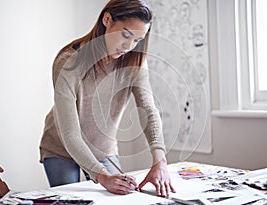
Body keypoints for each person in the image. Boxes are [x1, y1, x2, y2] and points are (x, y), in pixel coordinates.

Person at [39, 0, 176, 197]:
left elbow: (148, 109)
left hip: (103, 150)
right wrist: (103, 177)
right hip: (61, 149)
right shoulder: (69, 61)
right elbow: (70, 134)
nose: (128, 46)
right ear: (107, 19)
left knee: (121, 196)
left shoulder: (135, 62)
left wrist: (160, 161)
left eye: (137, 40)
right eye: (125, 34)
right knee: (70, 201)